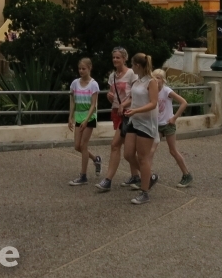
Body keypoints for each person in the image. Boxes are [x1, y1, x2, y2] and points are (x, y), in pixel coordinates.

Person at [96, 47, 137, 193]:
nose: (115, 60)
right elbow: (112, 93)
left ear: (124, 58)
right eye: (114, 57)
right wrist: (109, 96)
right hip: (116, 112)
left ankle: (108, 180)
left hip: (128, 113)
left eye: (118, 57)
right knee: (129, 149)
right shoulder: (112, 75)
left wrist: (124, 104)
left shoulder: (131, 74)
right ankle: (136, 175)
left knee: (115, 145)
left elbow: (136, 95)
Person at [123, 53, 159, 205]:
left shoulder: (151, 82)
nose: (131, 66)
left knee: (143, 158)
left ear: (138, 65)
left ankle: (144, 192)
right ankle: (148, 177)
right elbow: (134, 99)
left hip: (146, 123)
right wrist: (126, 105)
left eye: (132, 64)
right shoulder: (137, 82)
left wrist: (136, 110)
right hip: (134, 121)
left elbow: (153, 103)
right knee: (128, 154)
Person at [152, 68, 192, 187]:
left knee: (173, 150)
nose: (156, 80)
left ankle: (186, 174)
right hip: (157, 125)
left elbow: (184, 102)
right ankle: (146, 176)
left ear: (163, 80)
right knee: (151, 150)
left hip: (168, 125)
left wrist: (174, 118)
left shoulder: (166, 91)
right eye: (154, 77)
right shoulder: (152, 91)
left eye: (158, 78)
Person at [67, 58, 101, 186]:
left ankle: (83, 175)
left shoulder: (93, 84)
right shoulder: (74, 83)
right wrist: (70, 117)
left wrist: (87, 120)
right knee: (77, 146)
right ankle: (95, 159)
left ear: (89, 68)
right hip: (78, 116)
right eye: (79, 68)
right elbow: (72, 101)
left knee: (84, 145)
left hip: (89, 117)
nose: (81, 71)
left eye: (84, 69)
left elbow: (93, 104)